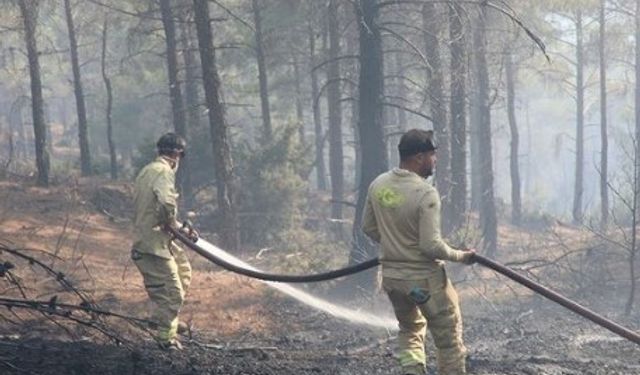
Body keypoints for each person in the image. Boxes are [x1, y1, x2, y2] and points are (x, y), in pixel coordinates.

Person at [362, 129, 475, 375]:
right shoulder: (425, 193)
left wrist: (396, 244)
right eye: (432, 155)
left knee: (410, 331)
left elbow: (368, 227)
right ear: (419, 157)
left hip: (393, 280)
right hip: (424, 282)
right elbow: (431, 246)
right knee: (448, 340)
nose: (435, 160)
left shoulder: (378, 185)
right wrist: (461, 256)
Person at [131, 132, 193, 350]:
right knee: (172, 293)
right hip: (152, 245)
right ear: (177, 154)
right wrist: (172, 223)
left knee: (183, 270)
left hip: (157, 239)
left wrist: (175, 229)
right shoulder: (164, 171)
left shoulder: (147, 170)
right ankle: (165, 339)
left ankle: (167, 319)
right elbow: (166, 203)